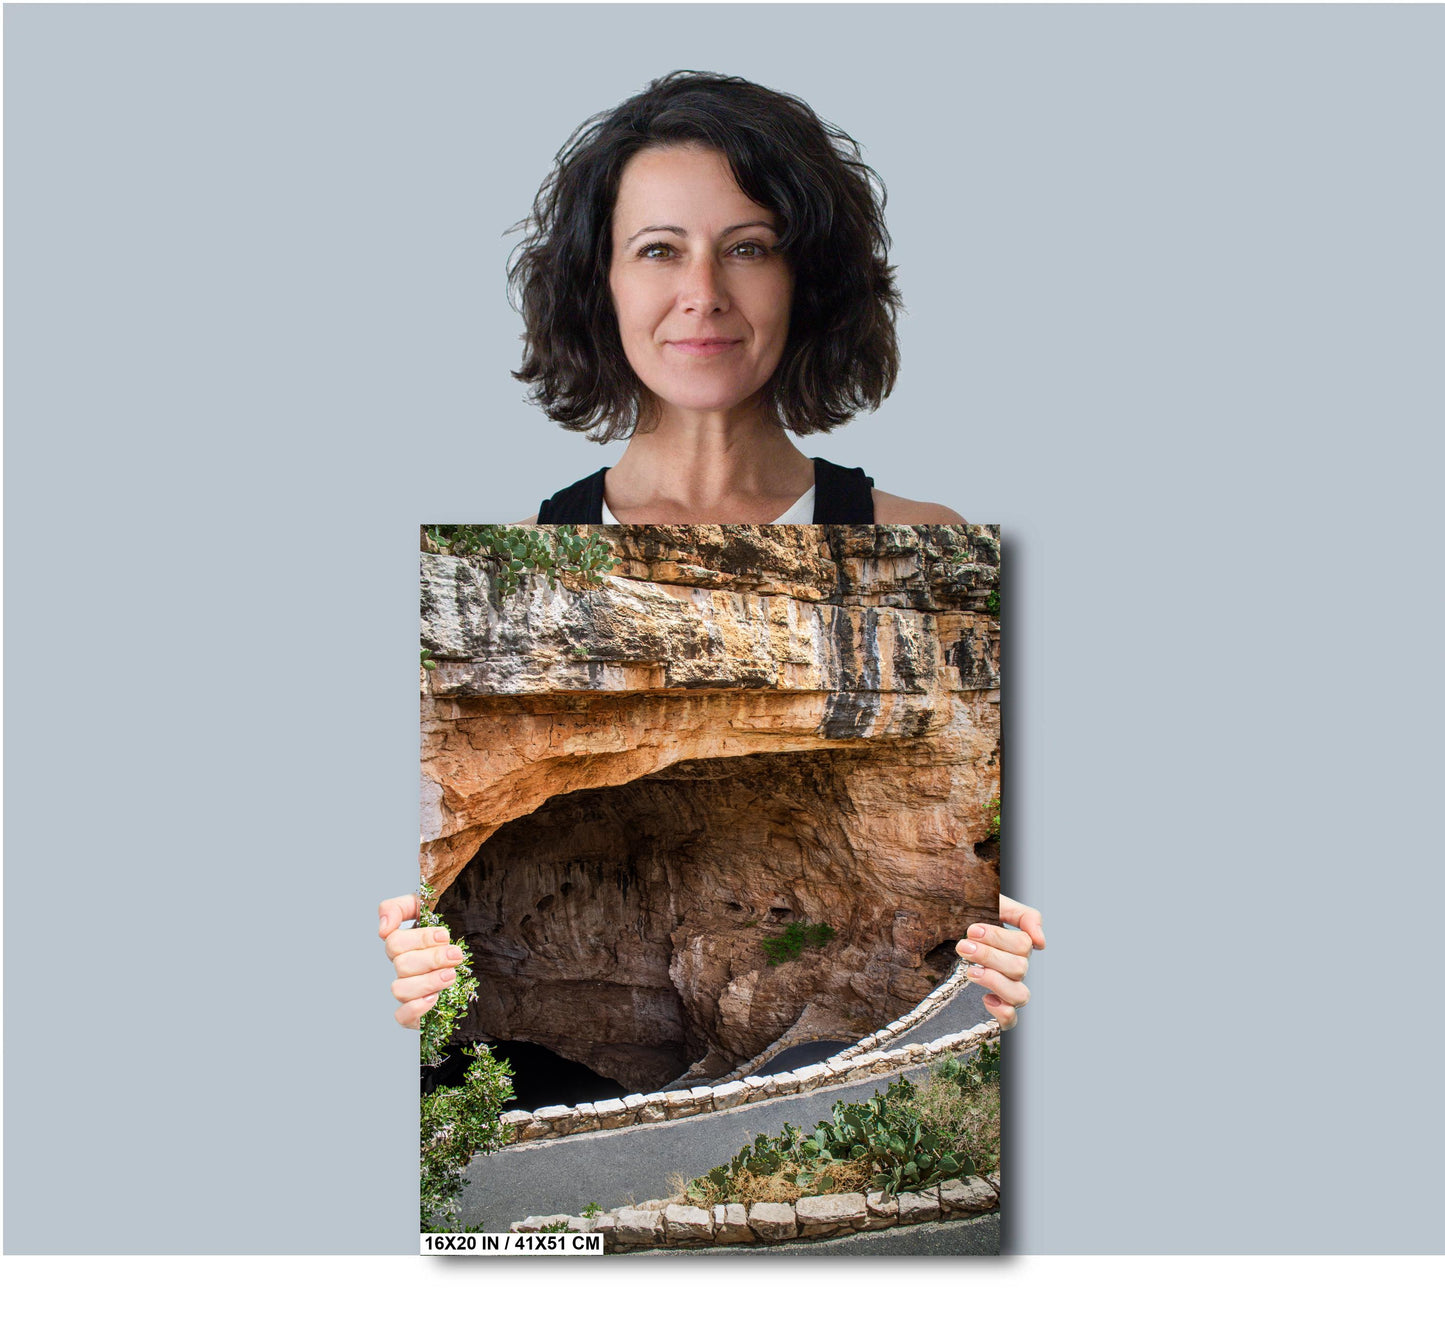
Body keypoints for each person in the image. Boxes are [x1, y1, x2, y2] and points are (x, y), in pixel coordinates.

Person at [389, 71, 1046, 1040]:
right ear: (599, 283)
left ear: (805, 278)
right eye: (658, 251)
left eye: (748, 249)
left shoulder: (932, 539)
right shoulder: (509, 563)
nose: (701, 294)